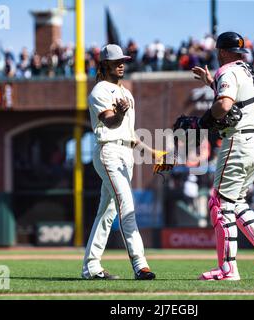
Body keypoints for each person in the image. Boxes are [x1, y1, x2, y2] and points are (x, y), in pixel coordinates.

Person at [191, 31, 254, 280]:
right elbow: (241, 99)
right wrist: (211, 82)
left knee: (219, 204)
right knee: (236, 201)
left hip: (239, 141)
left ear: (221, 52)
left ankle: (228, 268)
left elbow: (224, 105)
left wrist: (203, 122)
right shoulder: (252, 72)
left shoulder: (227, 71)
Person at [82, 44, 159, 280]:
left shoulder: (126, 93)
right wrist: (121, 114)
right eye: (116, 61)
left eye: (123, 60)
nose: (121, 64)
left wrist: (152, 152)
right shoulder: (100, 91)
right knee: (127, 204)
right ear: (105, 65)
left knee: (106, 212)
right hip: (109, 152)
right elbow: (111, 123)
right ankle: (140, 264)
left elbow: (130, 134)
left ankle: (91, 268)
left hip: (126, 154)